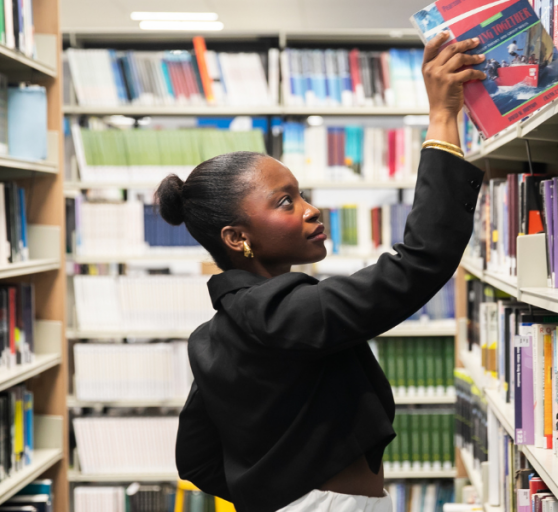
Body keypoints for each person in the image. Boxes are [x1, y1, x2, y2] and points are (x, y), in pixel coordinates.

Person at [168, 31, 487, 512]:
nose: (310, 210)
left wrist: (271, 495)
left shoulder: (215, 335)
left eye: (301, 194)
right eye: (285, 202)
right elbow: (419, 262)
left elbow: (195, 459)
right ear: (237, 238)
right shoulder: (281, 312)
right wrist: (442, 117)